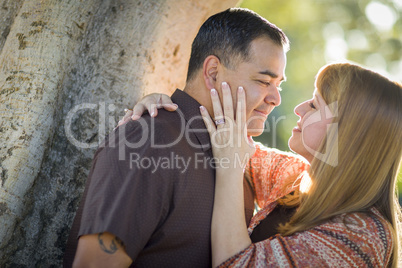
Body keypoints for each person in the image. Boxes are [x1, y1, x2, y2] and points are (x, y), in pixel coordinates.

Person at [63, 8, 309, 267]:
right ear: (213, 72)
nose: (275, 99)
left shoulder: (240, 163)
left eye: (278, 85)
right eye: (263, 81)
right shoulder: (148, 142)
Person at [132, 62, 402, 267]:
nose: (298, 109)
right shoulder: (297, 180)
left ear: (349, 132)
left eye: (314, 105)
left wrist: (229, 169)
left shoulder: (361, 236)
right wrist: (167, 107)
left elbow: (235, 264)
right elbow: (234, 144)